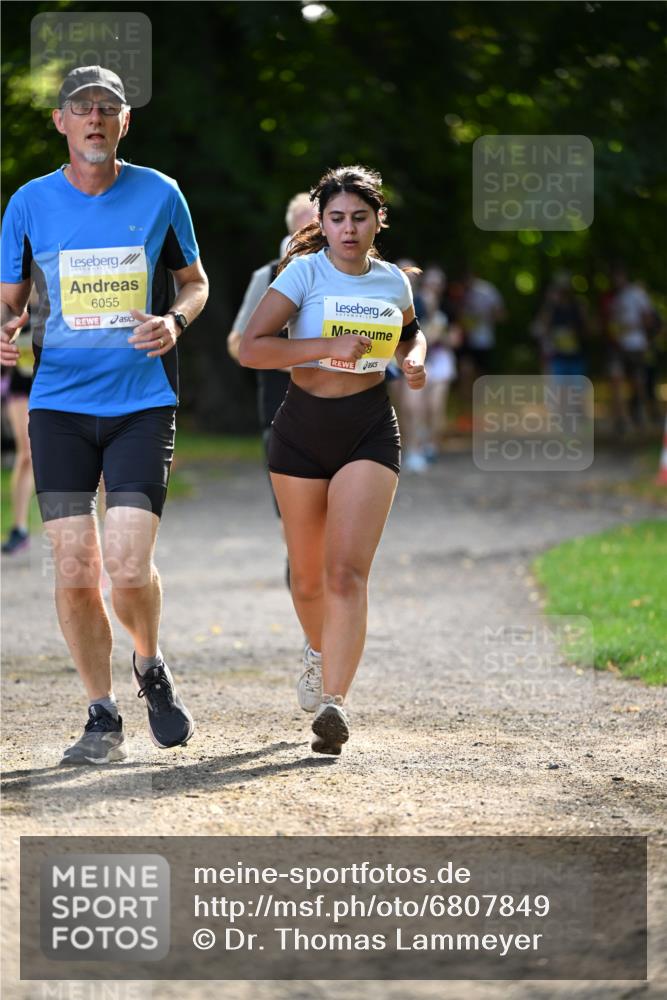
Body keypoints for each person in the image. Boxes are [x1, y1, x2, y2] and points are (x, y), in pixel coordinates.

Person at [0, 66, 209, 764]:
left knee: (124, 563)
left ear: (125, 122)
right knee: (73, 568)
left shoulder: (160, 193)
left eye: (108, 109)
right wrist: (4, 325)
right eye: (81, 109)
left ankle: (149, 662)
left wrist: (175, 322)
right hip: (58, 407)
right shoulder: (28, 203)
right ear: (60, 121)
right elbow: (10, 299)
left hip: (139, 405)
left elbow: (194, 282)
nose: (94, 118)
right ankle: (100, 716)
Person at [240, 165, 426, 756]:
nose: (349, 229)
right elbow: (251, 348)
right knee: (307, 574)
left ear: (378, 222)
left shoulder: (393, 281)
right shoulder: (302, 273)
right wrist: (323, 346)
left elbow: (409, 333)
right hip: (301, 431)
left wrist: (415, 357)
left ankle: (333, 705)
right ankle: (318, 652)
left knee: (347, 572)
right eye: (338, 218)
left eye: (360, 218)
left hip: (368, 429)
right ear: (322, 222)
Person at [1, 314, 34, 554]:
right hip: (20, 387)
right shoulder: (9, 300)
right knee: (27, 454)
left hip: (59, 385)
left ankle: (108, 527)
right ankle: (19, 528)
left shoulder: (54, 293)